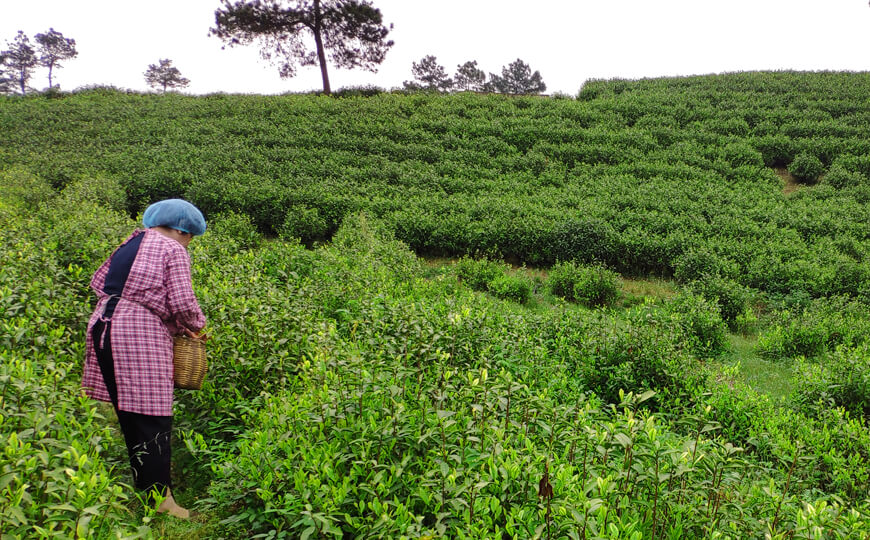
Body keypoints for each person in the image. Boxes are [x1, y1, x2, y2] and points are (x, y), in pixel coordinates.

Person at [81, 199, 207, 519]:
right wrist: (196, 327)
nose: (189, 242)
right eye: (190, 236)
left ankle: (147, 490)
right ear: (180, 230)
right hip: (137, 332)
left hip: (102, 327)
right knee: (152, 416)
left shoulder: (130, 242)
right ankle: (163, 502)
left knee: (130, 414)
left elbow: (99, 283)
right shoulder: (172, 249)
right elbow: (182, 302)